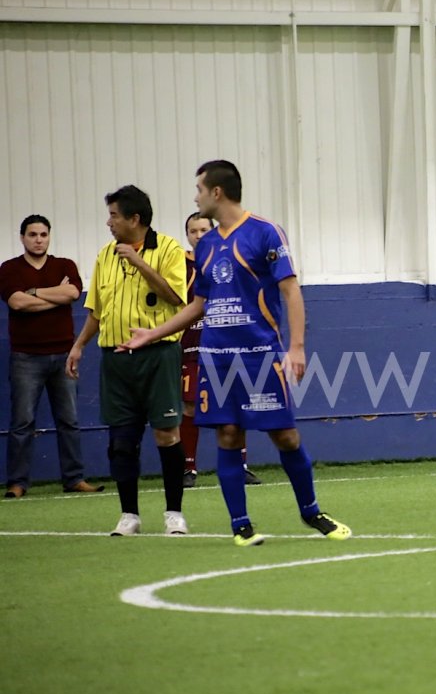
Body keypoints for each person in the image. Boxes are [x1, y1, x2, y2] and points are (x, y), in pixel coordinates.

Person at [121, 160, 350, 547]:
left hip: (260, 355)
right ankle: (241, 525)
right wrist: (154, 334)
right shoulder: (207, 245)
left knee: (286, 436)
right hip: (217, 358)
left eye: (199, 189)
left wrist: (296, 347)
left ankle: (311, 511)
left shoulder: (265, 232)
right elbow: (199, 305)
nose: (195, 197)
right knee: (228, 435)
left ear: (217, 192)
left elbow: (291, 291)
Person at [65, 187, 188, 535]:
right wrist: (78, 346)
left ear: (135, 219)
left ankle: (174, 514)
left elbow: (175, 296)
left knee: (166, 434)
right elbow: (96, 310)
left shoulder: (169, 249)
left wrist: (139, 262)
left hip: (159, 355)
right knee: (121, 440)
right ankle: (129, 515)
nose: (109, 222)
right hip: (116, 359)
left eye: (114, 215)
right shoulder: (105, 255)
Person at [1, 215, 103, 498]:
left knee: (69, 420)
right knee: (22, 422)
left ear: (49, 237)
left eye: (43, 234)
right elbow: (16, 302)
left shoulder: (65, 265)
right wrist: (53, 297)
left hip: (63, 354)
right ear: (22, 237)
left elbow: (72, 293)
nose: (38, 240)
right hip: (25, 357)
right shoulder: (9, 269)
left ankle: (74, 479)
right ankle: (17, 483)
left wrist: (34, 293)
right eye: (32, 234)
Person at [177, 212, 260, 488]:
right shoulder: (179, 266)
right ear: (187, 235)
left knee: (234, 404)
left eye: (203, 229)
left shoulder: (226, 258)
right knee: (190, 405)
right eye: (193, 231)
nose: (199, 235)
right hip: (191, 346)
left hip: (227, 345)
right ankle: (188, 467)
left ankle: (240, 465)